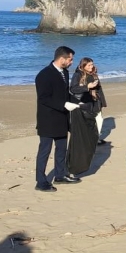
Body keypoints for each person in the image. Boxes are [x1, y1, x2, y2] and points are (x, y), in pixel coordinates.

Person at [34, 46, 82, 192]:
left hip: (62, 118)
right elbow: (44, 98)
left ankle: (60, 175)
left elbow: (64, 94)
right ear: (62, 58)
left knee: (62, 149)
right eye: (70, 59)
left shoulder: (65, 73)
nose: (71, 62)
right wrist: (64, 104)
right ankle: (41, 181)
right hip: (47, 120)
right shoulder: (44, 75)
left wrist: (77, 102)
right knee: (45, 151)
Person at [70, 57, 108, 144]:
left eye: (92, 64)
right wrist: (87, 87)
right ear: (83, 65)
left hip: (96, 101)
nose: (92, 66)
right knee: (87, 122)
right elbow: (73, 89)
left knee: (99, 119)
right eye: (89, 65)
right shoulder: (77, 75)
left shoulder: (94, 73)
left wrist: (102, 102)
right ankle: (88, 140)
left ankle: (95, 138)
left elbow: (99, 89)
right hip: (84, 101)